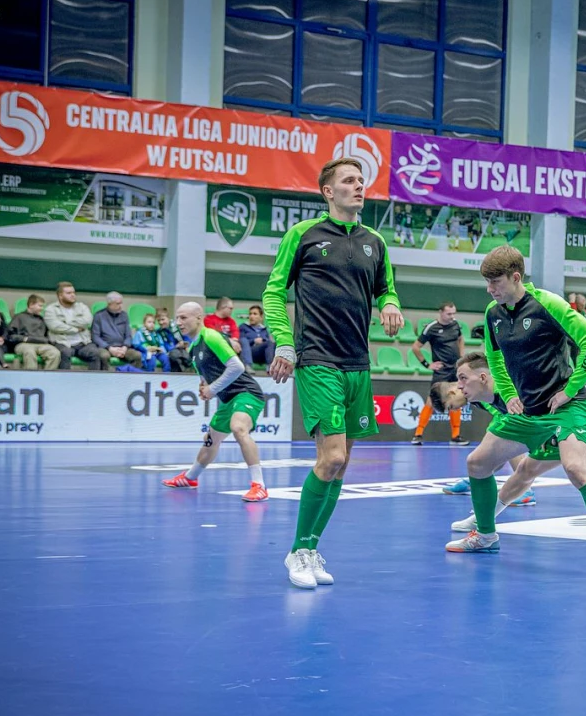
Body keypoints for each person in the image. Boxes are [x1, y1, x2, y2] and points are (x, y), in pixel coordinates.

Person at [443, 245, 586, 581]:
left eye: (496, 282)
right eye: (487, 282)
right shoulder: (492, 313)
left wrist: (570, 390)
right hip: (528, 410)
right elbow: (494, 357)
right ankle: (485, 535)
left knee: (577, 468)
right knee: (477, 463)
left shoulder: (549, 303)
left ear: (516, 277)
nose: (490, 289)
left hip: (565, 407)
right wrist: (509, 394)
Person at [263, 156, 404, 590]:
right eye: (348, 181)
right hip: (317, 357)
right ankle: (298, 550)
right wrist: (284, 342)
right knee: (333, 458)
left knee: (341, 467)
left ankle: (310, 548)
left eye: (361, 180)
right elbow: (274, 291)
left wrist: (390, 304)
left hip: (357, 362)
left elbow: (386, 287)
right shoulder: (303, 235)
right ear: (328, 191)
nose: (359, 186)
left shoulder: (374, 241)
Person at [437, 354, 586, 552]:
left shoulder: (513, 388)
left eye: (463, 379)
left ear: (482, 377)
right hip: (552, 430)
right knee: (525, 470)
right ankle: (482, 519)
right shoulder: (482, 399)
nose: (460, 386)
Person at [161, 302, 269, 502]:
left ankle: (259, 485)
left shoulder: (211, 336)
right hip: (228, 399)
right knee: (211, 439)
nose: (179, 322)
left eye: (183, 318)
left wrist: (212, 389)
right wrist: (204, 387)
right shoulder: (193, 349)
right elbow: (206, 377)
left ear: (198, 318)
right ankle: (190, 478)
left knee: (238, 428)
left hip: (247, 392)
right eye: (177, 318)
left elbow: (236, 367)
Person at [410, 301, 466, 445]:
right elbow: (416, 347)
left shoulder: (455, 324)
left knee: (457, 399)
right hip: (441, 371)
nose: (452, 316)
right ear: (441, 312)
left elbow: (460, 339)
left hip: (455, 369)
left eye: (453, 313)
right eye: (449, 313)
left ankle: (455, 436)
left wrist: (461, 357)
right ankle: (418, 434)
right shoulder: (431, 328)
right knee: (431, 400)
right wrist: (427, 364)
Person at [45, 282, 105, 370]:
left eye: (73, 292)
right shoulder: (51, 309)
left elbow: (87, 322)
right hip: (62, 342)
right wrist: (76, 329)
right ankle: (64, 378)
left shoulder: (82, 307)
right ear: (60, 295)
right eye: (69, 293)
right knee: (64, 353)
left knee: (95, 353)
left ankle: (93, 378)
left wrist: (65, 322)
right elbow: (55, 326)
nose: (73, 295)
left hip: (82, 342)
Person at [6, 294, 62, 370]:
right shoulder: (19, 317)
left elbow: (46, 336)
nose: (42, 309)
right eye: (40, 306)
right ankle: (31, 377)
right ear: (31, 305)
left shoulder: (41, 319)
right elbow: (11, 336)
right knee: (29, 352)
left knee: (55, 353)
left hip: (41, 344)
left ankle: (47, 376)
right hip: (23, 344)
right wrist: (25, 339)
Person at [91, 292, 143, 370]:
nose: (121, 306)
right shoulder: (99, 316)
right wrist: (109, 348)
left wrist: (125, 347)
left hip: (122, 347)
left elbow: (128, 335)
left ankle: (129, 376)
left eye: (121, 303)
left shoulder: (124, 315)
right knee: (103, 356)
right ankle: (109, 377)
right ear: (110, 304)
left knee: (137, 355)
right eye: (118, 303)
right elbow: (95, 337)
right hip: (105, 347)